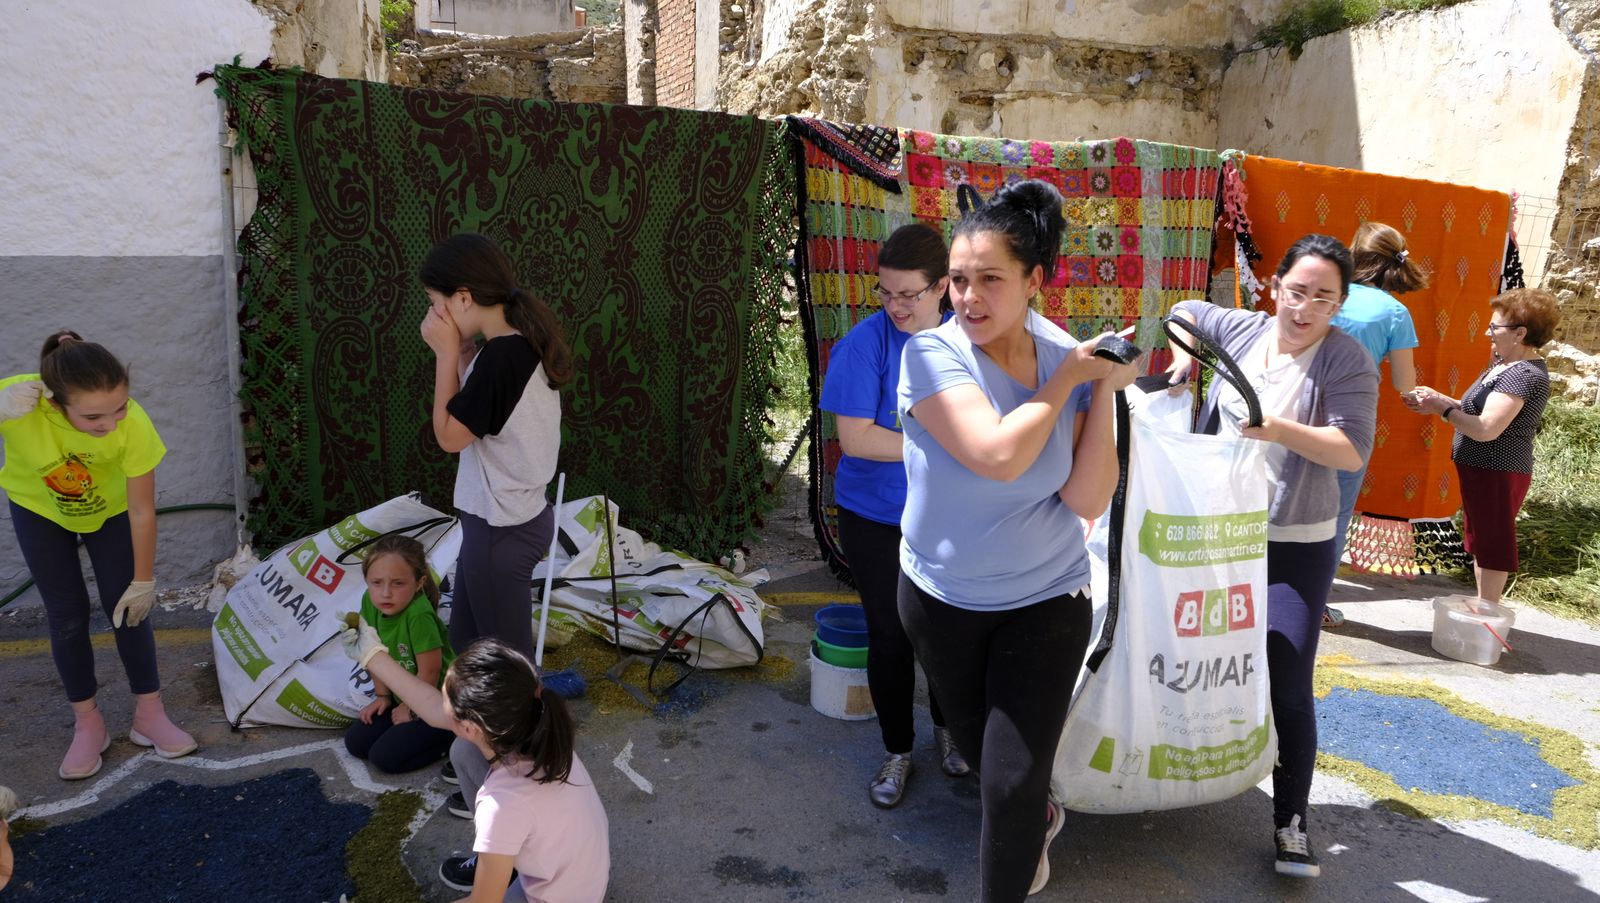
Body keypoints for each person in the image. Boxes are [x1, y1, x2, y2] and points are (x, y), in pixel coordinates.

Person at [895, 180, 1138, 901]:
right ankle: (1039, 819)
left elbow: (1087, 499)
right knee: (983, 761)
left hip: (1046, 595)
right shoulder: (930, 354)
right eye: (957, 280)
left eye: (990, 280)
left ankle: (1025, 824)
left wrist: (1107, 389)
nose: (968, 298)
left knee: (1010, 783)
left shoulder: (1067, 355)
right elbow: (996, 454)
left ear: (1035, 280)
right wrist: (1069, 381)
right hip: (941, 599)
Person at [1166, 234, 1378, 879]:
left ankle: (1291, 822)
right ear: (1275, 286)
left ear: (1340, 304)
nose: (1305, 308)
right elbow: (1183, 312)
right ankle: (1171, 771)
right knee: (1188, 658)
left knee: (1286, 674)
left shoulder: (1345, 360)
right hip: (1214, 536)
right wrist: (1183, 363)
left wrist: (1276, 429)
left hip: (1292, 543)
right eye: (1296, 291)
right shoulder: (1243, 328)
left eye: (1324, 298)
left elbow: (1351, 449)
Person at [419, 233, 573, 846]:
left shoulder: (504, 355)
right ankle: (478, 760)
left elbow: (449, 435)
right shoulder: (507, 346)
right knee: (468, 645)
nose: (432, 314)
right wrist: (460, 351)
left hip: (501, 530)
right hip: (500, 521)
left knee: (505, 674)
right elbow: (478, 413)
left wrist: (443, 354)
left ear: (463, 297)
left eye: (436, 303)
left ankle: (515, 786)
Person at [0, 332, 196, 780]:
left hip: (112, 512)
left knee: (126, 607)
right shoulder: (20, 400)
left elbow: (142, 510)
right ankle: (88, 723)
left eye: (119, 408)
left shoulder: (134, 423)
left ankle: (150, 713)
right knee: (66, 613)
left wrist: (144, 580)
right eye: (92, 416)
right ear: (56, 405)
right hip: (39, 509)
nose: (110, 423)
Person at [819, 222, 967, 808]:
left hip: (949, 512)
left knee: (950, 632)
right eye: (885, 292)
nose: (895, 306)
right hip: (875, 515)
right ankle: (897, 751)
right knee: (891, 633)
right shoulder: (864, 345)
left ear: (942, 288)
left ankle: (951, 732)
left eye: (908, 294)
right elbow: (856, 439)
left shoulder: (969, 340)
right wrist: (947, 444)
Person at [342, 629, 609, 902]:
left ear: (469, 727)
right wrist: (372, 655)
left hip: (553, 896)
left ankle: (500, 862)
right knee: (464, 750)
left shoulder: (500, 805)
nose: (439, 701)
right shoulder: (538, 730)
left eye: (445, 696)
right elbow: (430, 707)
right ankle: (503, 862)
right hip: (578, 878)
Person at [1404, 288, 1560, 604]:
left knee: (1492, 545)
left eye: (1494, 327)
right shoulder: (1504, 365)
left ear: (1520, 333)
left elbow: (1487, 428)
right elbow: (1476, 409)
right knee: (1482, 543)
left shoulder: (1523, 374)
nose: (1488, 332)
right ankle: (1482, 607)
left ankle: (1487, 614)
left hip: (1497, 470)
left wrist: (1442, 410)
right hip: (1483, 468)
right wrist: (1439, 399)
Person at [1324, 221, 1426, 627]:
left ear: (1355, 255)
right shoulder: (1395, 312)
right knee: (1335, 514)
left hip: (1295, 409)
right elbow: (1404, 383)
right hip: (1350, 421)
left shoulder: (1327, 293)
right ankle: (1313, 605)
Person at [344, 534, 457, 774]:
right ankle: (406, 719)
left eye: (398, 583)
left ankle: (453, 737)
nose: (385, 593)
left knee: (385, 758)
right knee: (356, 743)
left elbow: (430, 672)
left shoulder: (419, 615)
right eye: (376, 582)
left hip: (439, 702)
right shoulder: (369, 601)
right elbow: (373, 652)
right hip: (403, 694)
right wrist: (383, 696)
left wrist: (409, 707)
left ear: (419, 583)